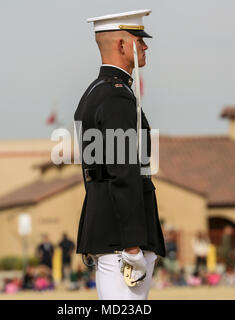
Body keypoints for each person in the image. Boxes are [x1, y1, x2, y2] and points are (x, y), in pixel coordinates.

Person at [74, 9, 166, 300]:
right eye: (139, 39)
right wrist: (132, 245)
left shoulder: (94, 92)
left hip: (107, 229)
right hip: (121, 240)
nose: (145, 46)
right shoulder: (116, 96)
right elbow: (123, 172)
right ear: (122, 45)